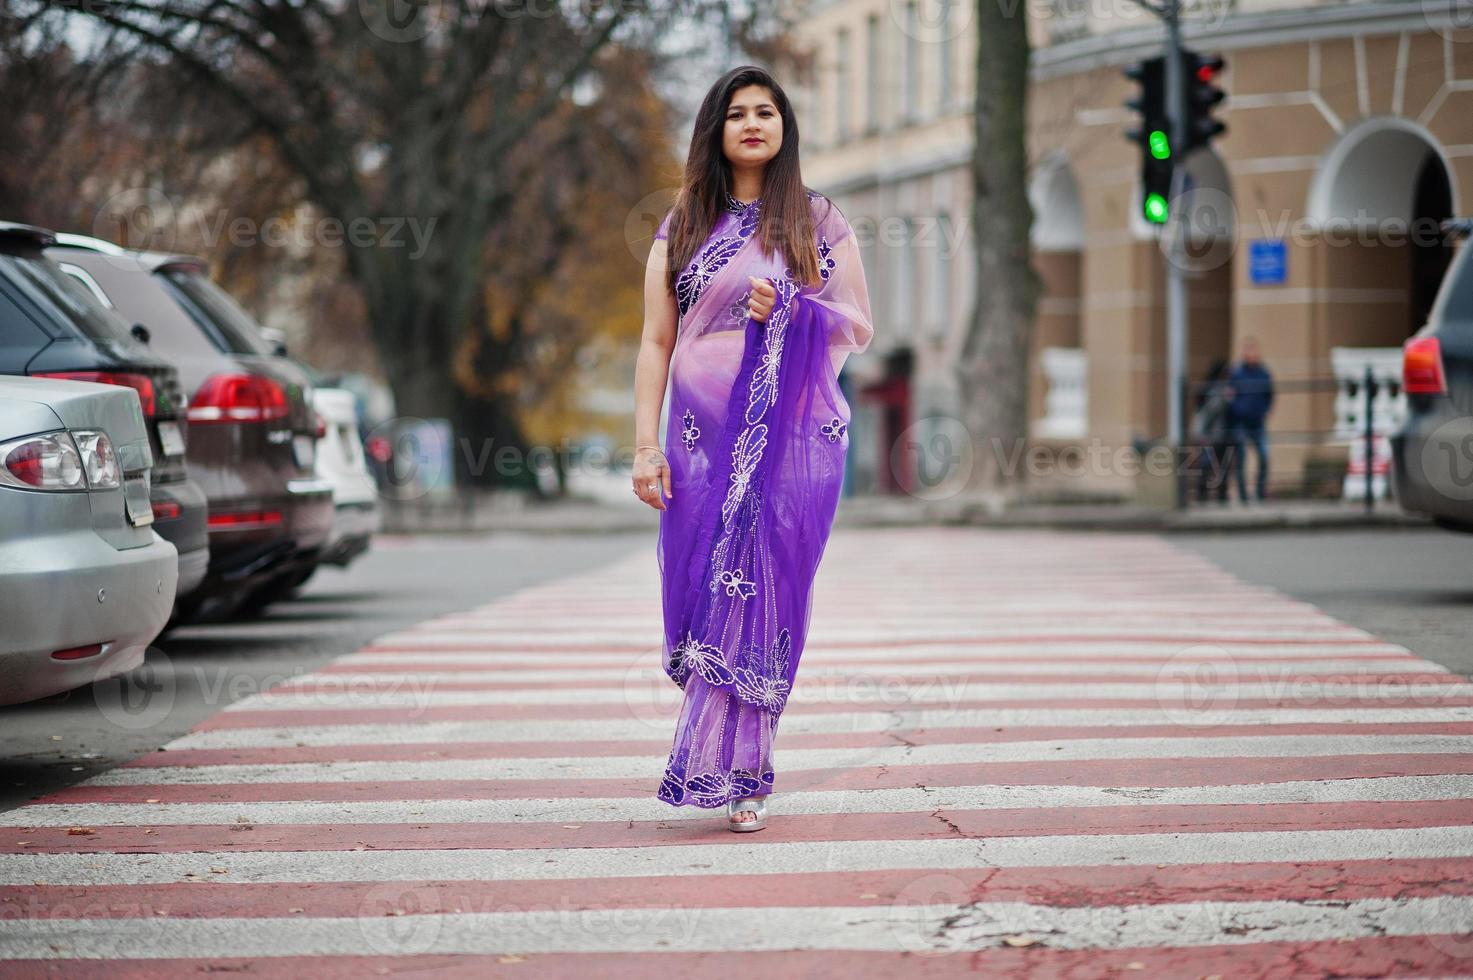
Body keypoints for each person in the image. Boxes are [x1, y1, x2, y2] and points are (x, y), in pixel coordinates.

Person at [630, 65, 873, 832]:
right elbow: (654, 340)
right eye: (736, 113)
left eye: (766, 111)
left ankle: (747, 772)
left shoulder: (815, 221)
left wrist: (793, 305)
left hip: (791, 444)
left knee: (764, 592)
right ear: (715, 129)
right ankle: (724, 760)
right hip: (700, 443)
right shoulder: (683, 227)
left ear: (783, 127)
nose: (753, 124)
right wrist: (645, 445)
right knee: (705, 591)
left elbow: (854, 322)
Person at [1225, 337, 1274, 503]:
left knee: (1264, 456)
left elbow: (1270, 395)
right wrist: (1238, 411)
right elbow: (1230, 396)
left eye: (1255, 351)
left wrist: (1264, 411)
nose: (1253, 354)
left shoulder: (1264, 373)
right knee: (1241, 458)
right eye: (1249, 351)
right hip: (1241, 423)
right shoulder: (1237, 373)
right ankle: (1243, 495)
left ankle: (1259, 492)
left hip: (1258, 422)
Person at [1190, 358, 1232, 504]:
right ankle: (1203, 494)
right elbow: (1209, 413)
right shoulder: (1213, 390)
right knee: (1207, 464)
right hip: (1210, 434)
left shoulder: (1221, 388)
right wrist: (1225, 398)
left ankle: (1221, 494)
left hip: (1221, 434)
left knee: (1221, 464)